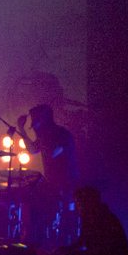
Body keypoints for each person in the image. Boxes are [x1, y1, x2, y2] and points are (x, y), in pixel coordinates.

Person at [15, 102, 79, 246]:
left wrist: (41, 137)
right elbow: (32, 150)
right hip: (53, 183)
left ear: (44, 121)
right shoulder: (44, 135)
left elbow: (53, 152)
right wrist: (22, 130)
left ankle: (63, 242)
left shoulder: (62, 134)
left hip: (66, 184)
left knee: (64, 219)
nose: (34, 127)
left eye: (35, 123)